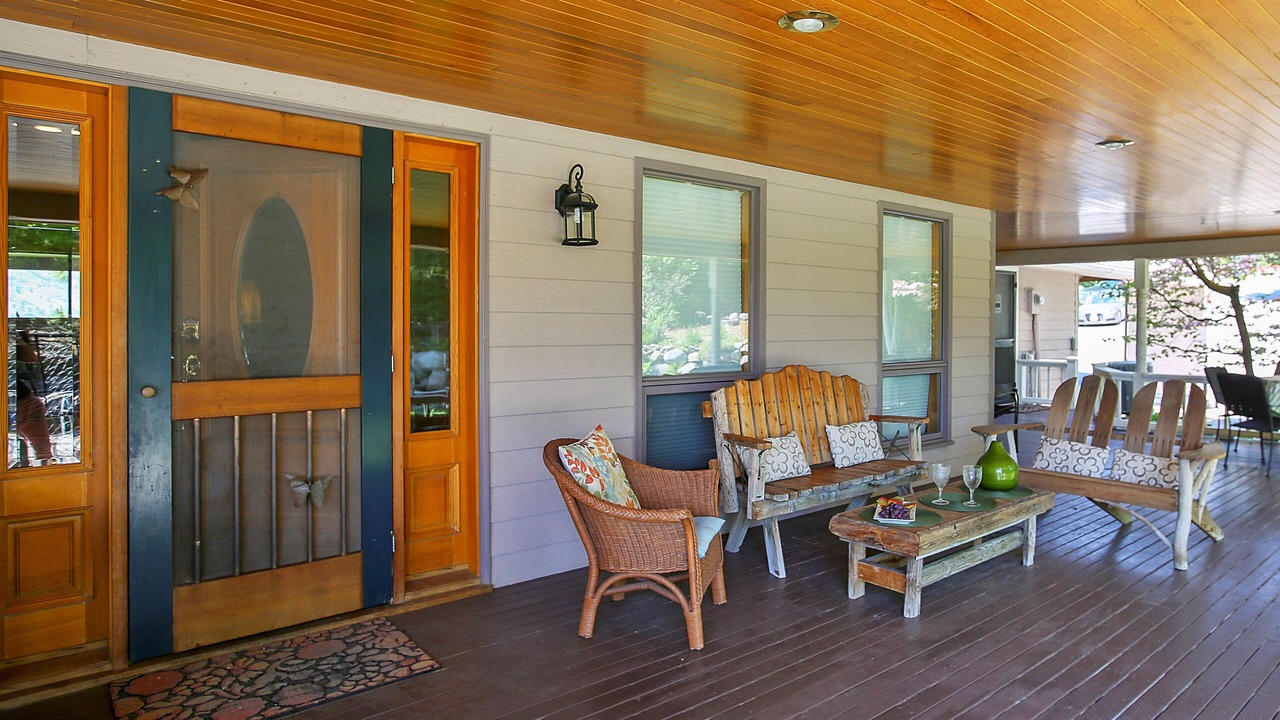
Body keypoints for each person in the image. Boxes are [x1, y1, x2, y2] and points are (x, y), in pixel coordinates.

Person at [15, 330, 51, 463]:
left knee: (44, 453)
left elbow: (30, 357)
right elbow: (30, 357)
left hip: (26, 402)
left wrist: (17, 337)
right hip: (19, 405)